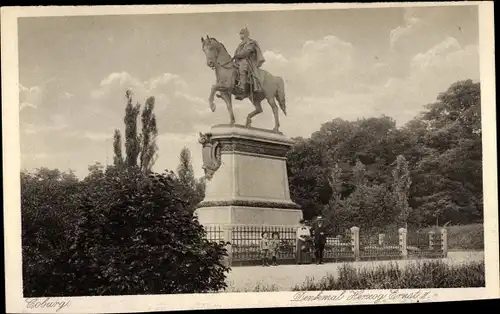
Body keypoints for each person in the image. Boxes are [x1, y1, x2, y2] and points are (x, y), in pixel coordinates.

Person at [233, 27, 266, 99]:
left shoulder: (251, 42)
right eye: (240, 34)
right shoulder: (240, 44)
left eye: (242, 33)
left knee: (242, 67)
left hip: (248, 61)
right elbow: (237, 53)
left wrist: (238, 55)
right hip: (239, 60)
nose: (240, 35)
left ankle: (242, 87)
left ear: (246, 34)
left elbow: (247, 52)